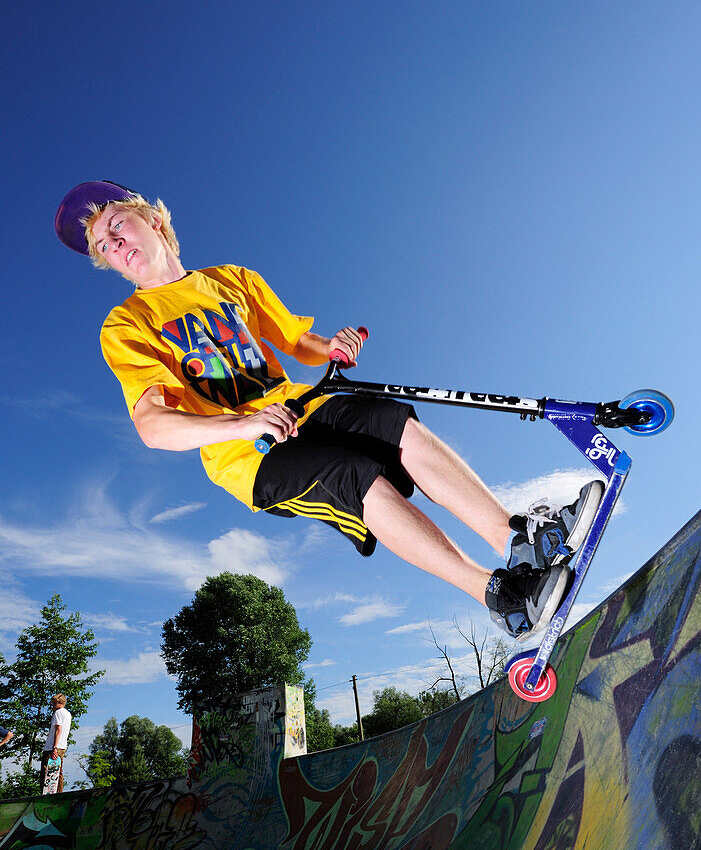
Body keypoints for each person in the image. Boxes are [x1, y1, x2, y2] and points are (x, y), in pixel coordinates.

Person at [54, 181, 603, 640]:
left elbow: (297, 343)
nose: (112, 241)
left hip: (298, 404)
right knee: (351, 475)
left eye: (118, 224)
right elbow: (152, 427)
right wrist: (243, 422)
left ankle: (518, 539)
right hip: (248, 457)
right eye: (102, 244)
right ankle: (503, 595)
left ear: (155, 222)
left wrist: (332, 349)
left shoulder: (231, 281)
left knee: (389, 420)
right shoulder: (127, 324)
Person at [40, 694, 72, 793]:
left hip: (53, 747)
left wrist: (54, 747)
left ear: (61, 703)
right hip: (62, 746)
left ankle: (47, 795)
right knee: (58, 772)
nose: (53, 705)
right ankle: (59, 793)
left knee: (47, 772)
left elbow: (58, 730)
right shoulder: (68, 714)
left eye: (54, 703)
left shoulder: (58, 713)